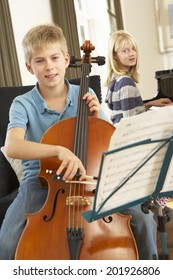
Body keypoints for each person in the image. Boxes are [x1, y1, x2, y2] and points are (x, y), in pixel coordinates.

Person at [0, 24, 106, 260]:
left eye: (54, 57)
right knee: (7, 243)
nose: (49, 66)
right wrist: (59, 151)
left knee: (141, 221)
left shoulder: (86, 96)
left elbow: (109, 143)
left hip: (85, 178)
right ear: (29, 67)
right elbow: (13, 146)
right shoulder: (22, 104)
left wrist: (96, 120)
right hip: (39, 182)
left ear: (66, 60)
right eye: (40, 61)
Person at [104, 30, 173, 260]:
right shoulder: (127, 82)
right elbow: (132, 125)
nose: (131, 53)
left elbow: (123, 113)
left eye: (132, 48)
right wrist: (157, 115)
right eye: (125, 50)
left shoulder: (115, 82)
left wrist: (150, 104)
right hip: (133, 155)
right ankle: (160, 204)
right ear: (115, 55)